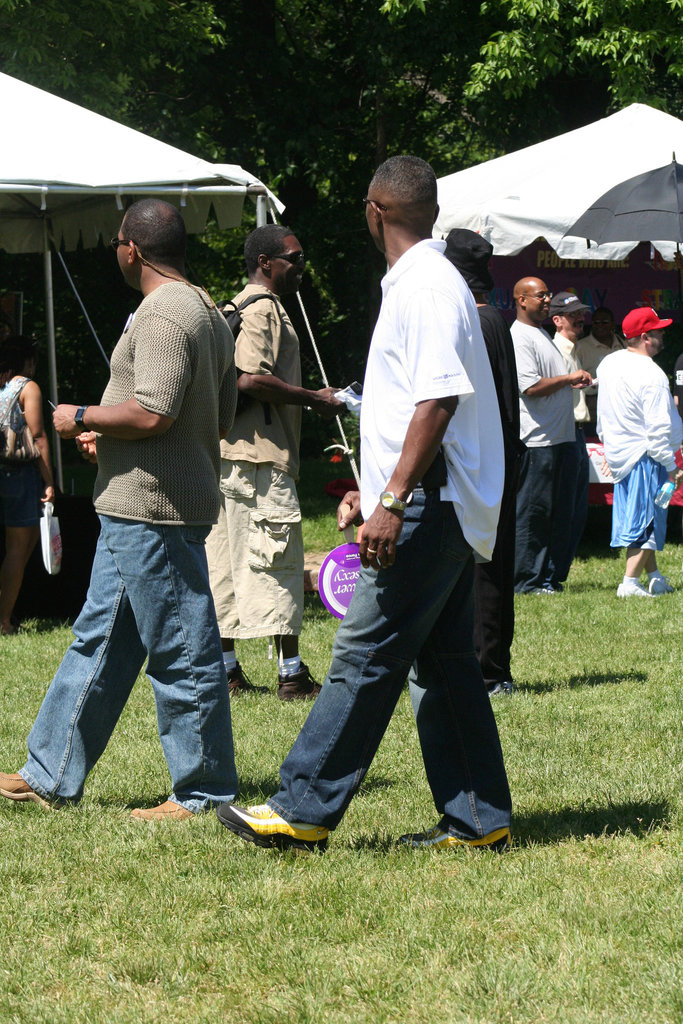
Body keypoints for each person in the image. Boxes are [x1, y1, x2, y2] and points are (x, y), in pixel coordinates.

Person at [215, 155, 512, 854]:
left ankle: (301, 810)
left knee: (362, 655)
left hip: (425, 506)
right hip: (429, 499)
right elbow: (414, 403)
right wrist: (371, 485)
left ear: (374, 209)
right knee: (444, 667)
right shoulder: (422, 282)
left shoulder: (427, 286)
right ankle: (478, 819)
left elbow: (438, 399)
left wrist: (392, 497)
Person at [0, 198, 238, 819]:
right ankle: (49, 772)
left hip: (154, 507)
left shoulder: (163, 312)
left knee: (181, 649)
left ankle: (203, 791)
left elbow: (153, 411)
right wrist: (110, 432)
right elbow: (214, 412)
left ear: (132, 247)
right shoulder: (208, 311)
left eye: (115, 244)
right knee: (98, 640)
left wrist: (78, 416)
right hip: (140, 500)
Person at [205, 225, 342, 699]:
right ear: (266, 262)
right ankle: (292, 674)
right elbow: (248, 380)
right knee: (279, 558)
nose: (301, 267)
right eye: (294, 258)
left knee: (222, 560)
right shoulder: (263, 309)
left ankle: (226, 670)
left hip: (228, 454)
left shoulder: (236, 307)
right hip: (260, 458)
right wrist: (315, 399)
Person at [443, 229, 523, 698]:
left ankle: (490, 669)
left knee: (486, 566)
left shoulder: (481, 322)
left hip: (486, 460)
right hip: (496, 456)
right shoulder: (490, 319)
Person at [511, 278, 592, 594]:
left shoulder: (540, 335)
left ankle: (547, 577)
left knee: (559, 512)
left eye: (547, 295)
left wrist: (569, 382)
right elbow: (529, 387)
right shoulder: (520, 337)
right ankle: (525, 581)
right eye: (541, 295)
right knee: (534, 513)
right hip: (537, 440)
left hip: (561, 437)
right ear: (521, 299)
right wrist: (568, 377)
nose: (547, 300)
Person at [597, 306, 683, 597]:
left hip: (623, 453)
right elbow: (658, 428)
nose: (663, 335)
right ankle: (629, 583)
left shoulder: (608, 364)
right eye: (659, 331)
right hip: (647, 455)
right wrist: (671, 464)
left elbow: (603, 413)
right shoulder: (652, 374)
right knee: (647, 520)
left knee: (647, 515)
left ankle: (654, 576)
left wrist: (609, 448)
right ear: (645, 337)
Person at [0, 335, 55, 634]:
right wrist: (49, 481)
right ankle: (3, 621)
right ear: (29, 360)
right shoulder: (27, 388)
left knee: (17, 547)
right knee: (18, 550)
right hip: (19, 474)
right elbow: (38, 437)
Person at [548, 291, 592, 583]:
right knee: (563, 509)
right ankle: (551, 573)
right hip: (564, 436)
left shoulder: (572, 348)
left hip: (576, 434)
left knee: (576, 508)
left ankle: (558, 572)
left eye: (581, 313)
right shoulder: (556, 350)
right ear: (557, 320)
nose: (580, 318)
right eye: (573, 314)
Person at [575, 306, 625, 433]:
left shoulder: (623, 345)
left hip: (620, 403)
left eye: (604, 322)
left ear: (613, 324)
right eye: (596, 323)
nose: (600, 326)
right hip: (592, 402)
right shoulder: (581, 347)